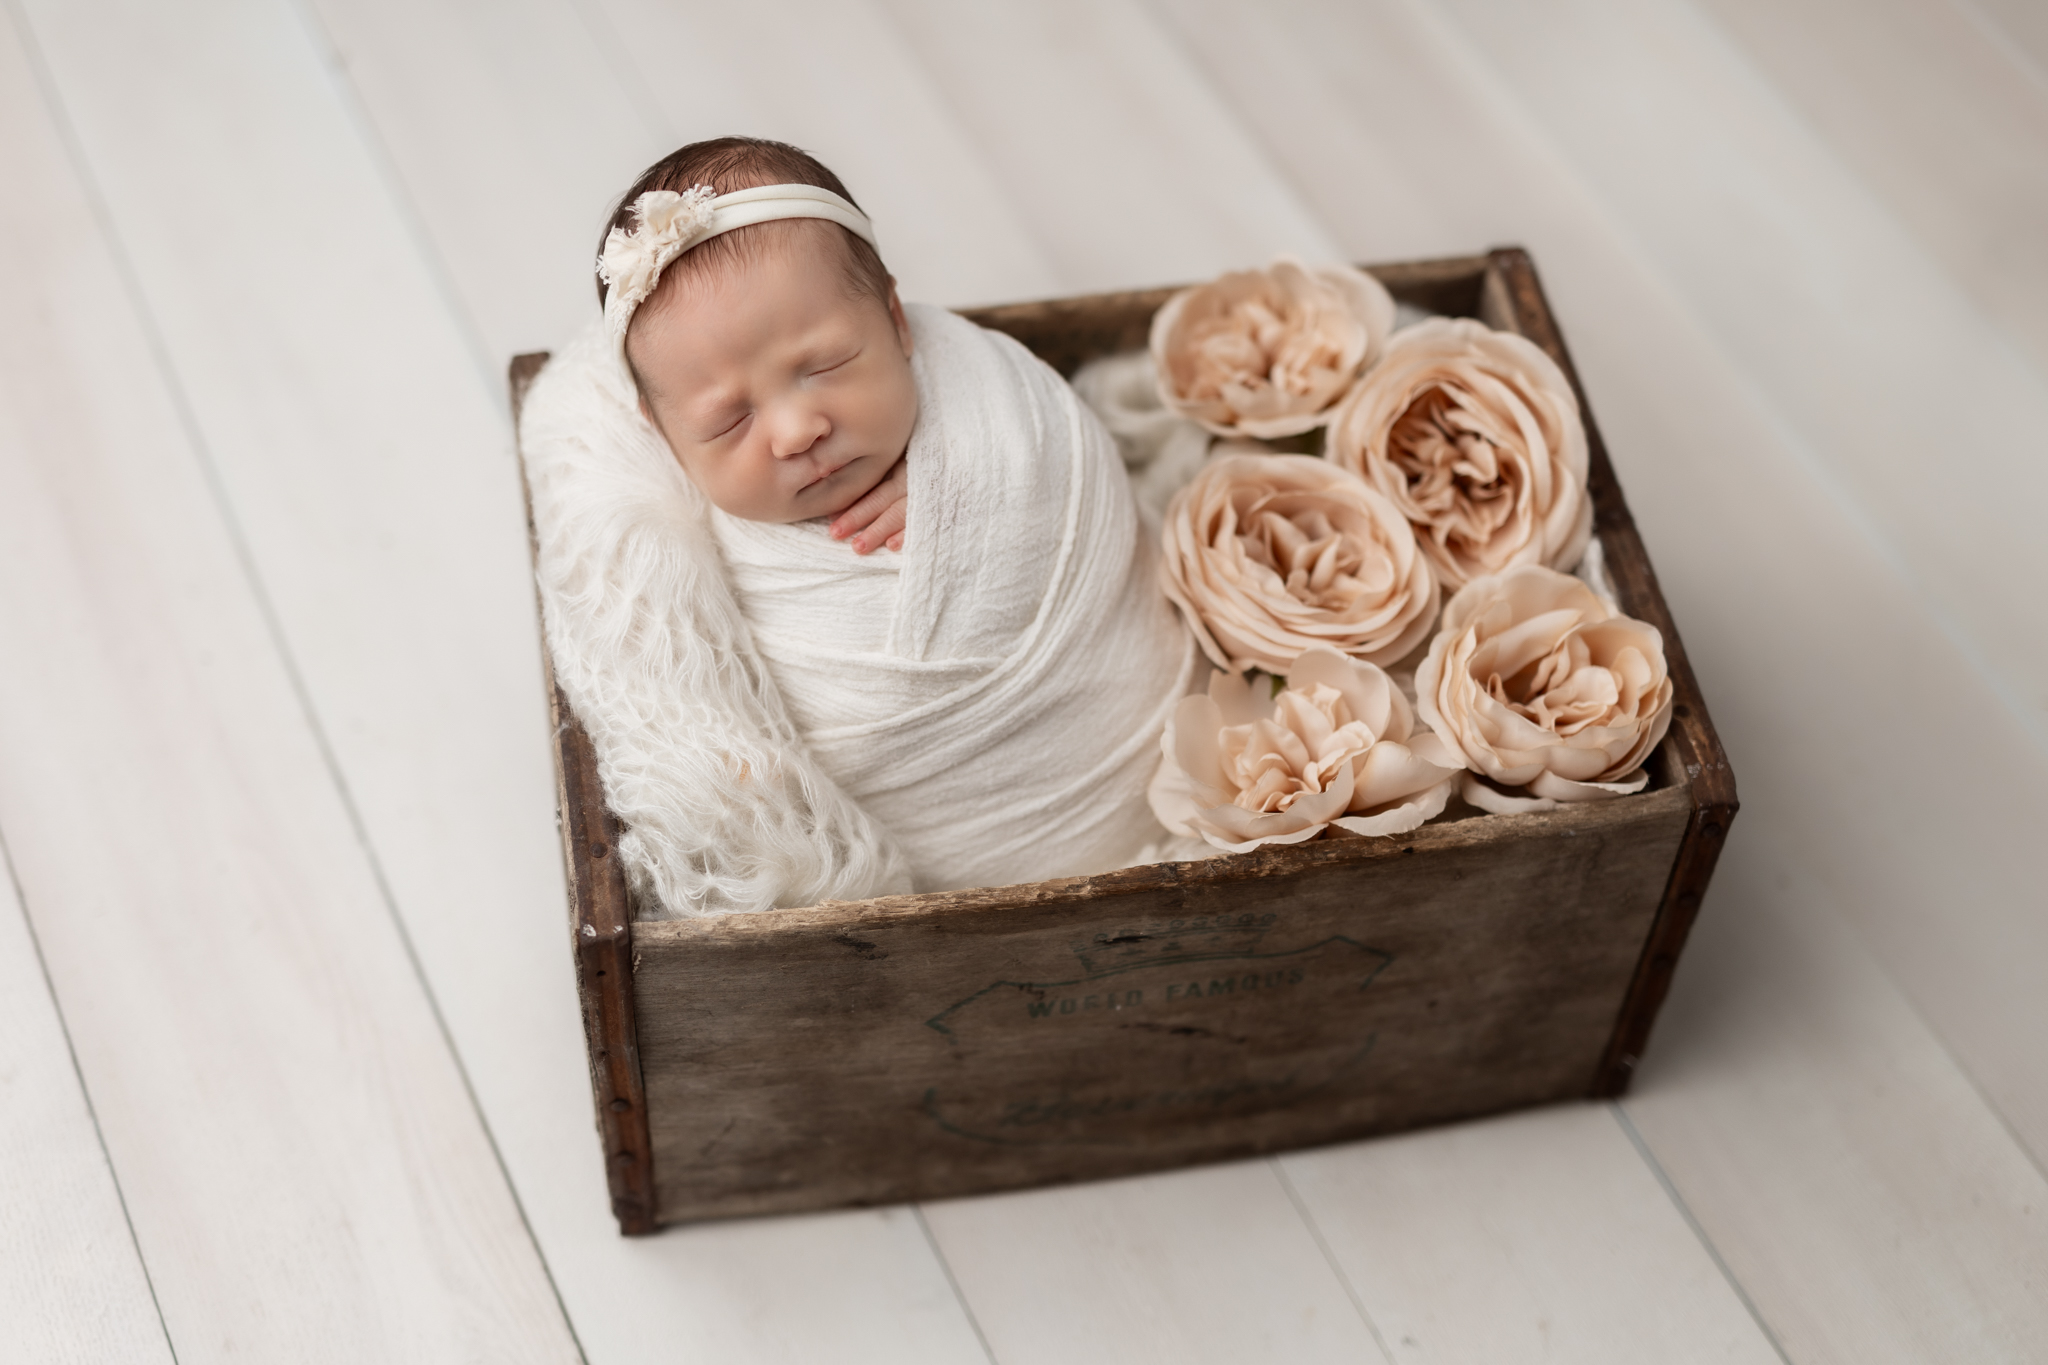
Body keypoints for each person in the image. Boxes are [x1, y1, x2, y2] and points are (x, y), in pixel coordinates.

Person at [520, 137, 1195, 917]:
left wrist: (962, 488)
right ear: (664, 436)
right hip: (958, 890)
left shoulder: (990, 393)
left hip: (1172, 759)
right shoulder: (694, 561)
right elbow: (742, 730)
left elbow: (1061, 458)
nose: (796, 428)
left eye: (829, 363)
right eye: (730, 420)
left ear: (900, 324)